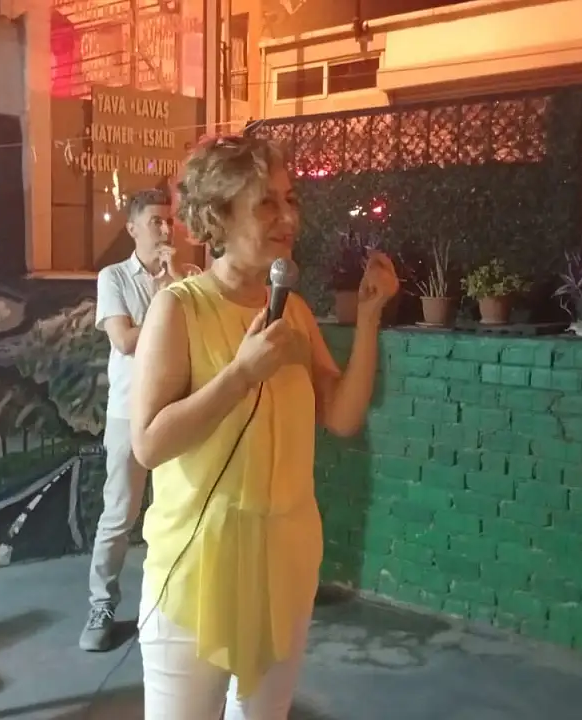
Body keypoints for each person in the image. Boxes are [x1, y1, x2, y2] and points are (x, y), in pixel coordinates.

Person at [129, 135, 398, 719]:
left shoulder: (293, 311)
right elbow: (148, 443)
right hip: (198, 566)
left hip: (285, 560)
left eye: (290, 199)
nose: (288, 217)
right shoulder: (178, 308)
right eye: (267, 203)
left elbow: (342, 415)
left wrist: (370, 317)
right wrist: (239, 375)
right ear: (220, 217)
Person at [81, 187, 177, 652]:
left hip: (176, 409)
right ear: (132, 228)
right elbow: (123, 340)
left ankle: (172, 605)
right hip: (128, 411)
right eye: (156, 221)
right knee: (119, 513)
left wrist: (178, 284)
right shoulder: (114, 277)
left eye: (169, 220)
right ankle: (101, 605)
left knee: (179, 510)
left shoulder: (187, 277)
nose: (165, 229)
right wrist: (166, 297)